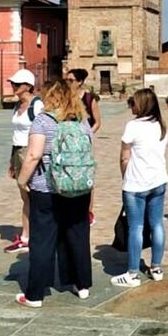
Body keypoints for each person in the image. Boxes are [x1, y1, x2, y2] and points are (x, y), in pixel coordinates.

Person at [14, 79, 94, 306]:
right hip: (78, 187)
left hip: (46, 188)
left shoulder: (43, 121)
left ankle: (35, 294)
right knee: (78, 235)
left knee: (42, 240)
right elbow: (88, 155)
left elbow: (33, 155)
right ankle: (82, 285)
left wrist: (22, 181)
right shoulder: (82, 122)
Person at [112, 88, 168, 287]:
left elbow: (124, 156)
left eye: (134, 102)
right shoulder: (161, 125)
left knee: (135, 227)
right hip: (159, 180)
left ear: (142, 104)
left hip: (136, 183)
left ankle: (133, 273)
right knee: (157, 224)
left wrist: (124, 177)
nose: (131, 106)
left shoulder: (133, 126)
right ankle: (156, 267)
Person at [4, 69, 43, 254]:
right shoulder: (18, 105)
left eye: (17, 84)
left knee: (32, 194)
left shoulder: (37, 105)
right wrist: (12, 161)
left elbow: (44, 130)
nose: (13, 86)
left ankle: (32, 235)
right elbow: (15, 135)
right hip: (18, 151)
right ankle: (27, 235)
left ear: (27, 86)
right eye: (13, 83)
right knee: (24, 196)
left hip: (30, 152)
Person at [65, 68, 101, 225]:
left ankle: (88, 211)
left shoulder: (89, 98)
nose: (68, 83)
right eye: (66, 80)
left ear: (80, 82)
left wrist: (86, 135)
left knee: (86, 175)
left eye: (71, 80)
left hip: (85, 142)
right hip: (67, 142)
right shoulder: (65, 97)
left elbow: (97, 122)